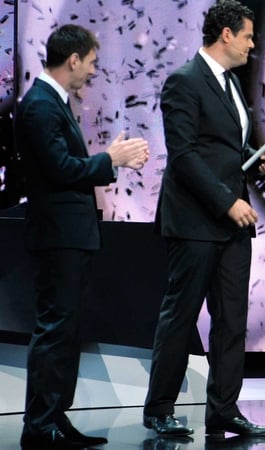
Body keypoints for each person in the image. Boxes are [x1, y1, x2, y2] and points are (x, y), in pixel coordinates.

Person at [143, 0, 265, 438]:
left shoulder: (232, 83)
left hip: (230, 225)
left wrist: (253, 162)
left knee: (232, 320)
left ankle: (224, 408)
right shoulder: (184, 81)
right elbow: (184, 155)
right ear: (225, 35)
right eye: (247, 36)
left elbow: (221, 148)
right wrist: (227, 201)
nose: (252, 45)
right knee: (180, 317)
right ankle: (159, 408)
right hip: (195, 221)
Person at [16, 24, 150, 449]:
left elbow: (66, 165)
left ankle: (54, 417)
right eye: (91, 62)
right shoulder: (40, 105)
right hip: (59, 236)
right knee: (56, 329)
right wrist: (109, 159)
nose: (93, 71)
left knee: (66, 329)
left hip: (68, 235)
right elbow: (60, 169)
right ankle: (40, 424)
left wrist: (104, 159)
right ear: (73, 59)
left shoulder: (51, 103)